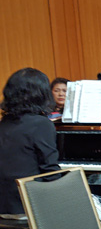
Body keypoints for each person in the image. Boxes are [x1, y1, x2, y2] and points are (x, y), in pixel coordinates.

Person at [0, 68, 61, 217]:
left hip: (4, 204)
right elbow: (50, 170)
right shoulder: (41, 124)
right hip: (27, 206)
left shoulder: (4, 123)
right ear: (41, 94)